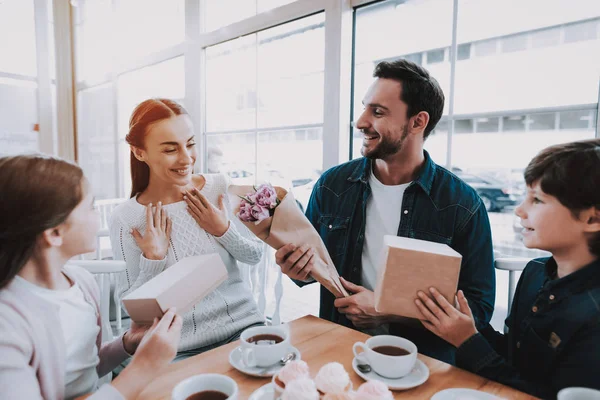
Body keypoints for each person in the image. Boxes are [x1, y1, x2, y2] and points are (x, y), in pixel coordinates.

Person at [275, 59, 495, 364]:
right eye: (366, 108)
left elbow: (479, 310)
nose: (360, 122)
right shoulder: (332, 185)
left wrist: (389, 310)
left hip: (422, 362)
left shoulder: (461, 204)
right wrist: (296, 269)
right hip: (342, 349)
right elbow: (310, 274)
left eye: (377, 112)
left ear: (418, 122)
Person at [415, 140, 600, 398]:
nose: (519, 210)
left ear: (593, 218)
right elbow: (515, 355)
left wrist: (468, 342)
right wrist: (470, 328)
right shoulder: (535, 273)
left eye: (537, 200)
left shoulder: (593, 316)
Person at [0, 155, 182, 400]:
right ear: (54, 233)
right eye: (91, 207)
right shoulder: (8, 325)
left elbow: (86, 370)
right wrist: (145, 367)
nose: (99, 216)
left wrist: (127, 344)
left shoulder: (82, 283)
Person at [110, 98, 265, 360]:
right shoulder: (127, 218)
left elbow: (254, 255)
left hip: (244, 327)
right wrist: (153, 260)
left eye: (190, 144)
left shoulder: (217, 187)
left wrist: (222, 230)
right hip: (176, 348)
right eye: (171, 149)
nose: (186, 158)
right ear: (139, 153)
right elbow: (133, 309)